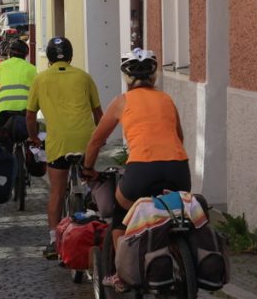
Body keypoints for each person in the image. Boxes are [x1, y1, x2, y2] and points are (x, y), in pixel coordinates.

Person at [81, 48, 190, 285]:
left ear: (127, 78)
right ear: (154, 76)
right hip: (178, 168)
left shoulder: (121, 102)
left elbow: (96, 141)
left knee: (121, 216)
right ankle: (182, 264)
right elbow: (179, 137)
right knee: (175, 215)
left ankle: (122, 275)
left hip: (142, 170)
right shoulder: (167, 99)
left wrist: (87, 168)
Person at [26, 37, 103, 259]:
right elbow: (98, 113)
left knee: (57, 192)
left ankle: (53, 241)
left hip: (58, 142)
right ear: (70, 56)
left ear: (49, 58)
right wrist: (101, 138)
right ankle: (93, 219)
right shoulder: (84, 77)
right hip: (86, 141)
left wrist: (34, 138)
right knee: (91, 180)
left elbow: (30, 116)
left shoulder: (41, 79)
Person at [0, 39, 37, 127]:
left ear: (9, 53)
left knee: (3, 135)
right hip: (25, 110)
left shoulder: (0, 66)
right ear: (26, 55)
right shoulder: (32, 69)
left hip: (3, 109)